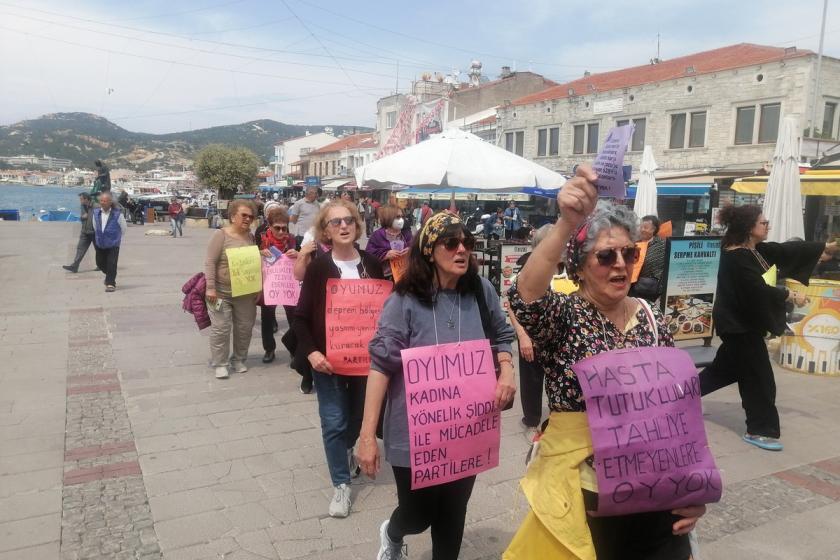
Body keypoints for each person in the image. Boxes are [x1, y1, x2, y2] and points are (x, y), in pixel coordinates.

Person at [504, 166, 706, 560]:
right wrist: (567, 222)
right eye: (606, 255)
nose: (620, 264)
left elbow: (679, 415)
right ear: (578, 267)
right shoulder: (564, 316)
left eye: (629, 253)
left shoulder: (650, 316)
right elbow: (525, 295)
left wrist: (694, 488)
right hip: (588, 498)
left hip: (658, 496)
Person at [358, 211, 515, 560]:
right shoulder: (404, 300)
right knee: (419, 514)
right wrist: (367, 435)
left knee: (453, 512)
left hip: (468, 429)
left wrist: (506, 369)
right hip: (414, 432)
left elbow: (503, 334)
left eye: (468, 243)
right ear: (430, 249)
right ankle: (394, 530)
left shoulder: (481, 290)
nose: (462, 250)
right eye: (451, 243)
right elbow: (381, 365)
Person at [699, 205, 837, 451]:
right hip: (737, 326)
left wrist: (823, 249)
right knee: (760, 379)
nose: (767, 225)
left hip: (743, 325)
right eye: (763, 223)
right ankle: (760, 429)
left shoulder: (756, 250)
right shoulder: (736, 257)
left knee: (723, 372)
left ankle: (677, 397)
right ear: (749, 228)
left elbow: (785, 250)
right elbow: (756, 289)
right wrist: (789, 295)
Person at [293, 199, 385, 518]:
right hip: (328, 363)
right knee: (334, 421)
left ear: (357, 226)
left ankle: (349, 450)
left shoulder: (373, 265)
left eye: (348, 220)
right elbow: (300, 317)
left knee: (359, 419)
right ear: (325, 232)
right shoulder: (319, 268)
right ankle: (341, 485)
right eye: (336, 222)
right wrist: (312, 352)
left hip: (367, 364)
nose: (343, 226)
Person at [508, 224, 555, 441]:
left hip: (557, 337)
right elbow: (511, 304)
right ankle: (531, 420)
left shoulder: (567, 268)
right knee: (531, 379)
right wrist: (522, 335)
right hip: (531, 336)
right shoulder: (527, 269)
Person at [204, 199, 259, 380]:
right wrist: (210, 288)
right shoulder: (221, 235)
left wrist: (258, 286)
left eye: (250, 217)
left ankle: (239, 359)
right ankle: (220, 363)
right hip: (221, 292)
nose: (248, 219)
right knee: (221, 328)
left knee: (245, 328)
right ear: (233, 216)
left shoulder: (250, 237)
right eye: (244, 215)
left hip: (245, 292)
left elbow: (252, 263)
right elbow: (210, 262)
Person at [256, 206, 297, 364]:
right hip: (269, 285)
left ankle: (294, 350)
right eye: (277, 228)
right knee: (267, 319)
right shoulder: (261, 238)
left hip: (288, 286)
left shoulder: (293, 240)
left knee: (293, 319)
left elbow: (305, 260)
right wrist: (259, 252)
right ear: (269, 225)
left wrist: (299, 254)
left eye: (284, 228)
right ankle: (269, 349)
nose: (281, 232)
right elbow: (250, 254)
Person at [364, 205, 412, 280]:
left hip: (404, 276)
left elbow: (416, 250)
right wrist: (385, 255)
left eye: (402, 217)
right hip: (384, 277)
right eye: (398, 217)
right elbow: (368, 256)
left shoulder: (407, 234)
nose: (401, 220)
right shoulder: (377, 235)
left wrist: (410, 250)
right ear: (388, 218)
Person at [92, 192, 126, 292]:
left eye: (105, 201)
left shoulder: (117, 214)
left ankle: (111, 283)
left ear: (110, 202)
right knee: (100, 263)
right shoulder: (96, 212)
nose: (102, 203)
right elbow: (95, 226)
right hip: (100, 243)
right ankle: (110, 275)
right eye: (101, 200)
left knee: (112, 263)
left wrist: (117, 238)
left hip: (113, 244)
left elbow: (124, 228)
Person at [629, 214, 666, 301]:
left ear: (654, 229)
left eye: (645, 227)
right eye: (641, 227)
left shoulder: (661, 245)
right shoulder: (633, 242)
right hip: (630, 288)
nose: (642, 230)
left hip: (649, 290)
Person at [63, 193, 95, 273]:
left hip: (94, 232)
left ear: (86, 199)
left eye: (81, 199)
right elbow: (82, 217)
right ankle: (75, 266)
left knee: (99, 250)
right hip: (84, 231)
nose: (80, 201)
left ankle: (102, 265)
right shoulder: (82, 206)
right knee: (80, 248)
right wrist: (82, 217)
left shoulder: (96, 206)